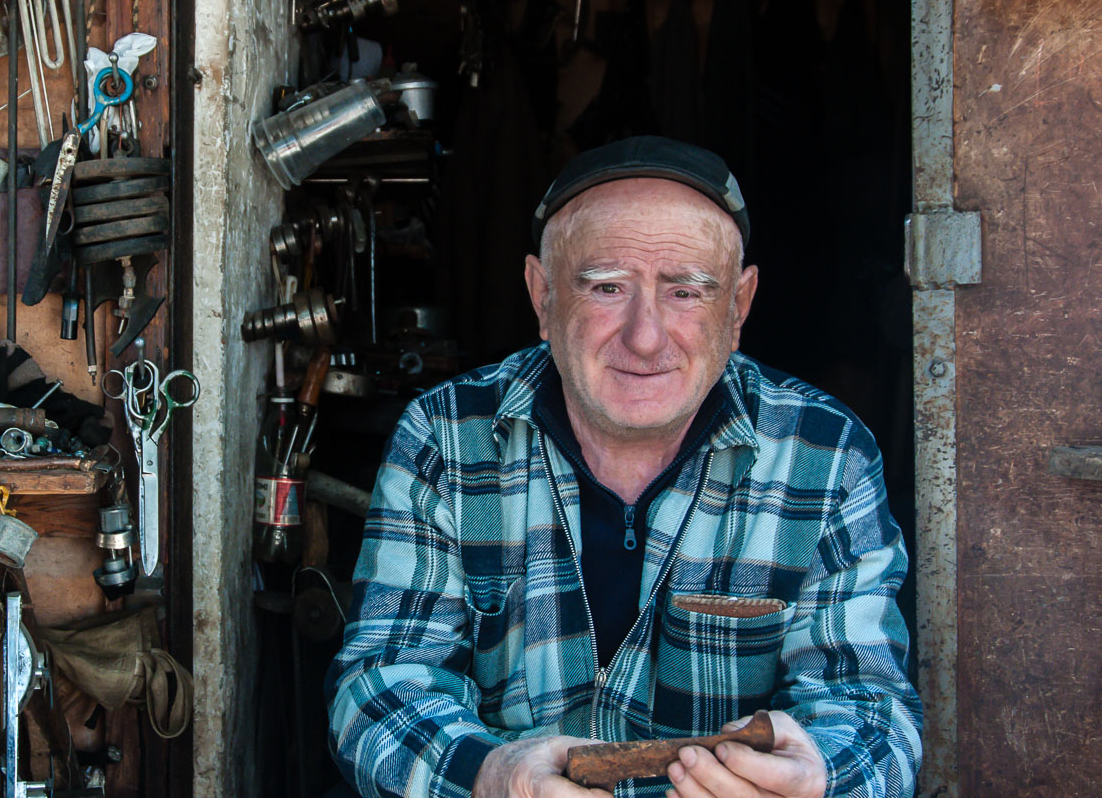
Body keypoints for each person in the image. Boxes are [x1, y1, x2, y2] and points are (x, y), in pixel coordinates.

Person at [325, 136, 921, 798]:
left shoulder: (825, 455)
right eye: (606, 287)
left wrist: (819, 777)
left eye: (686, 291)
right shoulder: (446, 437)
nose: (645, 336)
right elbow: (380, 684)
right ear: (543, 297)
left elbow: (874, 712)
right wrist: (491, 777)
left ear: (740, 307)